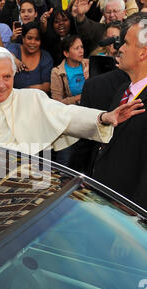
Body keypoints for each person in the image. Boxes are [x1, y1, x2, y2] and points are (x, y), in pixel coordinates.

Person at [0, 46, 144, 156]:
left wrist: (104, 117)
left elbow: (67, 115)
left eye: (7, 77)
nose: (2, 84)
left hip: (22, 187)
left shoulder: (31, 99)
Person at [92, 12, 147, 210]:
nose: (119, 49)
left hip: (129, 217)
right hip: (104, 204)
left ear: (142, 53)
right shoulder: (122, 91)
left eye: (126, 43)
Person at [8, 21, 53, 92]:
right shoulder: (15, 48)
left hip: (37, 99)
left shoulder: (45, 57)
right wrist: (14, 59)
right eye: (29, 38)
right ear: (23, 39)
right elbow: (5, 53)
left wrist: (25, 92)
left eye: (37, 39)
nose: (33, 42)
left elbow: (46, 86)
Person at [51, 35, 89, 105]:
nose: (81, 51)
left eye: (82, 47)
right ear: (66, 53)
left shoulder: (89, 64)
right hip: (71, 111)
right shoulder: (57, 72)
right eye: (77, 48)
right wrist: (79, 97)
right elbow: (56, 103)